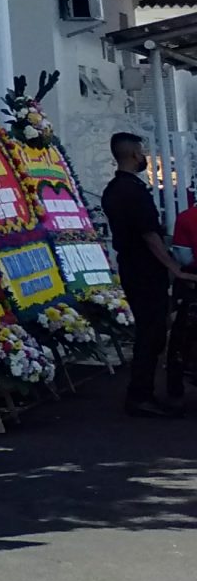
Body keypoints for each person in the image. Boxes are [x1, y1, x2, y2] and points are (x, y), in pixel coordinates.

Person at [100, 131, 197, 416]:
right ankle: (140, 396)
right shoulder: (133, 191)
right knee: (151, 333)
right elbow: (149, 235)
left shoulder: (114, 189)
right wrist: (174, 268)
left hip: (133, 267)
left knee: (151, 331)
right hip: (144, 271)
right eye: (142, 153)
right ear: (132, 155)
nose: (145, 158)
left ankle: (143, 393)